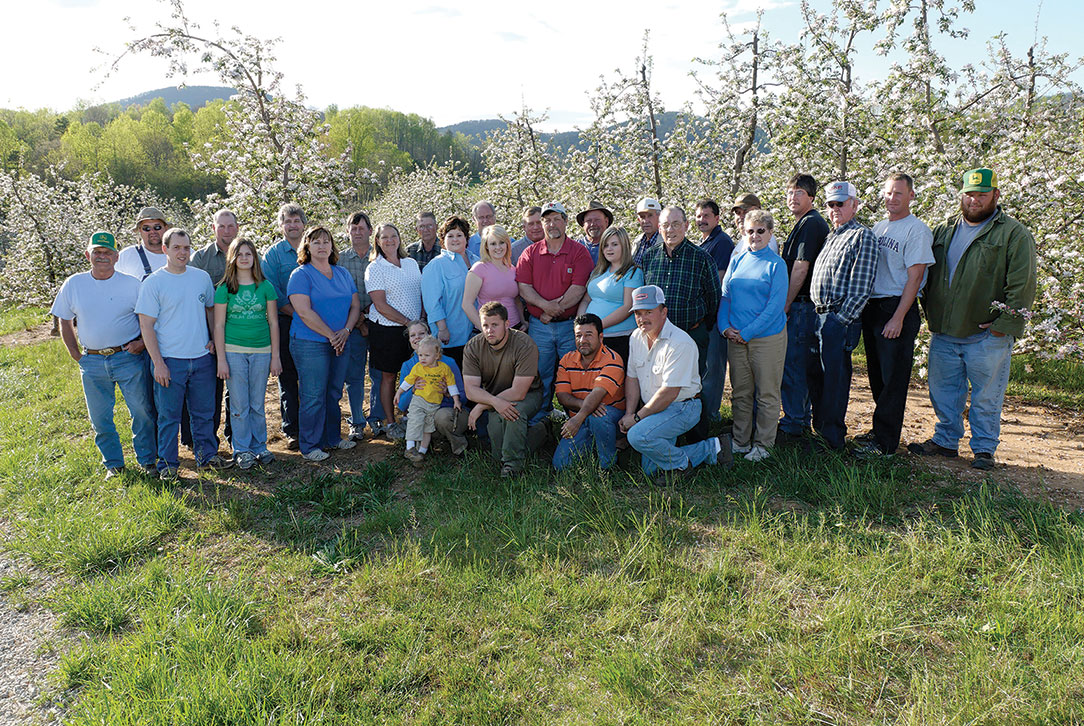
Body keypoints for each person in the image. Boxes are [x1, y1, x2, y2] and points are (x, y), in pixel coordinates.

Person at [908, 168, 1037, 470]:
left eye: (981, 194)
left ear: (996, 194)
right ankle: (945, 441)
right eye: (969, 193)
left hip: (986, 334)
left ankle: (983, 449)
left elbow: (1022, 283)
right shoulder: (943, 230)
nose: (974, 199)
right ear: (961, 195)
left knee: (986, 397)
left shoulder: (1013, 233)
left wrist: (1004, 325)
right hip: (944, 331)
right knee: (944, 392)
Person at [52, 231, 156, 478]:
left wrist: (141, 343)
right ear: (88, 255)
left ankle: (148, 461)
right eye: (97, 252)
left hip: (128, 357)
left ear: (116, 256)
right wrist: (77, 354)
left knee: (142, 411)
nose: (102, 257)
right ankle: (114, 464)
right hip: (93, 360)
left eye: (107, 252)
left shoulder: (131, 284)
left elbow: (147, 319)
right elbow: (64, 320)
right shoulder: (74, 283)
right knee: (100, 418)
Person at [136, 228, 230, 477]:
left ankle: (207, 457)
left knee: (204, 414)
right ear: (165, 249)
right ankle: (167, 465)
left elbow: (210, 310)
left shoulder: (201, 278)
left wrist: (211, 339)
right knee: (169, 417)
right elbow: (146, 325)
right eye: (177, 247)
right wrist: (158, 363)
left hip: (201, 359)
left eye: (186, 248)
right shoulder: (154, 282)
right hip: (170, 360)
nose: (182, 252)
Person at [855, 173, 934, 458]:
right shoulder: (879, 227)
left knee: (893, 380)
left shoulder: (917, 230)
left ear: (911, 195)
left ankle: (886, 444)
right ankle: (880, 431)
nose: (892, 198)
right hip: (875, 307)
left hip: (897, 306)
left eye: (899, 193)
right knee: (878, 376)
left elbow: (915, 277)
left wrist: (898, 317)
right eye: (888, 193)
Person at [619, 286, 730, 483]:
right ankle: (713, 448)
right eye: (638, 313)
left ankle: (680, 464)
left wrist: (636, 418)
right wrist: (629, 412)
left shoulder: (680, 342)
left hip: (683, 407)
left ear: (664, 312)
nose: (642, 318)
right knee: (651, 469)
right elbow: (632, 378)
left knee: (637, 436)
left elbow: (669, 393)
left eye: (649, 312)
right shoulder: (636, 337)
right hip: (656, 409)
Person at [807, 181, 878, 451]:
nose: (835, 208)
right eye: (831, 204)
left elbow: (861, 287)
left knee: (835, 380)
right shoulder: (832, 235)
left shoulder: (862, 236)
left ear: (854, 205)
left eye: (841, 203)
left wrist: (841, 320)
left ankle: (832, 439)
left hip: (837, 317)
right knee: (817, 377)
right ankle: (821, 432)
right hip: (820, 315)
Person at [640, 206, 721, 440]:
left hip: (691, 335)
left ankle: (698, 440)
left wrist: (701, 328)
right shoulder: (649, 258)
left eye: (676, 224)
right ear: (659, 227)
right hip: (657, 338)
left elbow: (713, 298)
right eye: (665, 225)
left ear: (686, 225)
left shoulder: (701, 259)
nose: (670, 229)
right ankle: (663, 435)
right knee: (660, 386)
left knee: (691, 389)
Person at [717, 210, 788, 462]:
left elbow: (775, 306)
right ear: (743, 233)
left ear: (770, 233)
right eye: (750, 231)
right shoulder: (737, 260)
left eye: (761, 231)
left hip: (766, 338)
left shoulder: (776, 265)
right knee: (741, 392)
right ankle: (740, 440)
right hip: (735, 338)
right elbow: (726, 296)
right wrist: (724, 326)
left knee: (767, 394)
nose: (755, 236)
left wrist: (747, 332)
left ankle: (763, 445)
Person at [515, 201, 594, 425]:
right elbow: (524, 287)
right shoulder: (530, 253)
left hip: (570, 326)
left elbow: (578, 288)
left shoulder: (579, 252)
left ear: (566, 221)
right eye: (547, 220)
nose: (552, 224)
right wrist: (547, 309)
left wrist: (550, 310)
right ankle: (539, 421)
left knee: (575, 374)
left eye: (557, 219)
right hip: (540, 327)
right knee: (541, 374)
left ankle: (578, 421)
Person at [286, 226, 361, 462]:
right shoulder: (300, 274)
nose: (322, 245)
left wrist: (346, 331)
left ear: (332, 246)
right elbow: (304, 312)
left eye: (326, 241)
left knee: (333, 392)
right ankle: (310, 446)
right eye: (316, 241)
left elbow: (355, 306)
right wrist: (332, 335)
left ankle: (332, 438)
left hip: (341, 340)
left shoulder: (342, 273)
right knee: (313, 395)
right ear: (307, 246)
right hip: (311, 343)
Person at [213, 237, 281, 469]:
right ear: (232, 258)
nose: (244, 258)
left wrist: (275, 356)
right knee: (239, 404)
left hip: (262, 351)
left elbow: (273, 322)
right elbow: (219, 325)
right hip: (233, 352)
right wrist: (221, 359)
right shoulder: (224, 289)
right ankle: (242, 449)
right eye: (239, 254)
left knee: (257, 403)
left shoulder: (266, 286)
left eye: (248, 254)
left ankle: (259, 446)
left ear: (255, 258)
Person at [463, 302, 544, 478]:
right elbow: (470, 390)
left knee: (513, 412)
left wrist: (482, 406)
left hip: (529, 394)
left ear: (507, 324)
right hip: (494, 397)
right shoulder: (473, 347)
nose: (489, 330)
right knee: (497, 451)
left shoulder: (524, 344)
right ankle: (540, 432)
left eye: (495, 325)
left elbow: (519, 392)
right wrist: (493, 402)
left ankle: (513, 467)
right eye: (485, 325)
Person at [778, 173, 830, 442]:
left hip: (801, 306)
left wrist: (785, 304)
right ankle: (798, 418)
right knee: (798, 364)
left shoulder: (811, 224)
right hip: (800, 306)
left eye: (799, 192)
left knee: (795, 365)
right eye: (789, 192)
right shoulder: (804, 223)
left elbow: (801, 266)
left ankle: (793, 425)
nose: (792, 197)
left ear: (811, 197)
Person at [186, 207, 239, 452]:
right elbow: (193, 299)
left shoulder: (246, 253)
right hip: (210, 334)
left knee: (237, 388)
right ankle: (206, 441)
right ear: (213, 228)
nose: (226, 231)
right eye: (221, 226)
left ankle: (235, 436)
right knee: (211, 391)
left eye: (231, 226)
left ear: (237, 228)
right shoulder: (200, 258)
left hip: (242, 331)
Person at [365, 223, 424, 434]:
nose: (390, 240)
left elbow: (420, 293)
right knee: (389, 376)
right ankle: (391, 423)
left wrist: (421, 320)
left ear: (399, 238)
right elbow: (380, 305)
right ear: (378, 242)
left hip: (416, 330)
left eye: (393, 236)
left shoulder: (410, 263)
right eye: (385, 237)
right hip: (388, 330)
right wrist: (408, 322)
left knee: (417, 373)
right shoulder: (375, 268)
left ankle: (411, 416)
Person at [552, 314, 626, 470]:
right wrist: (585, 407)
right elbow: (562, 396)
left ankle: (608, 466)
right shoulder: (567, 360)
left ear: (601, 337)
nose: (582, 340)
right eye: (578, 335)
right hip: (584, 416)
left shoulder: (612, 359)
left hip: (610, 417)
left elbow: (598, 394)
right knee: (561, 465)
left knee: (599, 417)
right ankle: (598, 444)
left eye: (588, 335)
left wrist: (577, 418)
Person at [261, 203, 307, 449]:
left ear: (303, 224)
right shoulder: (273, 254)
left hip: (316, 326)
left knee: (312, 378)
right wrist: (300, 315)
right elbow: (273, 292)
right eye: (287, 222)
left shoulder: (315, 247)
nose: (292, 225)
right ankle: (292, 431)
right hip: (286, 322)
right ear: (281, 226)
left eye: (296, 220)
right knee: (288, 379)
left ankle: (314, 426)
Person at [338, 211, 386, 440]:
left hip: (378, 322)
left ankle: (377, 418)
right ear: (348, 231)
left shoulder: (380, 257)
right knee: (354, 376)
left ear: (370, 230)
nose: (357, 232)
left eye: (361, 228)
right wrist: (356, 320)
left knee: (378, 373)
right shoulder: (339, 259)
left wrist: (366, 316)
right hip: (351, 325)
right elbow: (338, 292)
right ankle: (356, 421)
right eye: (353, 228)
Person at [397, 320, 471, 457]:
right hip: (422, 413)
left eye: (421, 333)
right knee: (418, 419)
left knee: (441, 417)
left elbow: (464, 397)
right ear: (409, 340)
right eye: (412, 335)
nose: (417, 338)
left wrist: (447, 393)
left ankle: (460, 448)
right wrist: (412, 390)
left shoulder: (447, 363)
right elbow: (401, 405)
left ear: (430, 336)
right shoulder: (408, 366)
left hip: (447, 414)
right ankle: (422, 451)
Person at [694, 199, 736, 425]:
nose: (702, 220)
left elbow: (717, 281)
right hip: (703, 316)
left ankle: (710, 417)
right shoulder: (704, 243)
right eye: (699, 216)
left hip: (715, 315)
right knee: (703, 368)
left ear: (717, 218)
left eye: (706, 216)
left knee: (713, 368)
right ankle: (702, 415)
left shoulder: (721, 243)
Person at [577, 225, 643, 366]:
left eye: (614, 244)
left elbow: (628, 307)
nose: (609, 249)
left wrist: (596, 326)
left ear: (624, 246)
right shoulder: (598, 271)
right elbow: (586, 300)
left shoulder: (633, 273)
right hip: (593, 337)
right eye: (605, 245)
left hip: (618, 338)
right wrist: (580, 324)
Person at [421, 216, 477, 369]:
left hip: (476, 334)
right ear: (442, 240)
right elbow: (432, 303)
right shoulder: (436, 265)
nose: (455, 239)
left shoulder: (477, 261)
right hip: (451, 337)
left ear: (466, 238)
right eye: (450, 236)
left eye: (459, 235)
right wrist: (442, 328)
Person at [463, 224, 525, 331]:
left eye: (501, 242)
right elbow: (466, 304)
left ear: (507, 244)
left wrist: (523, 322)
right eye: (493, 244)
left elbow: (516, 300)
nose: (498, 247)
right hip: (491, 332)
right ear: (486, 246)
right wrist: (484, 329)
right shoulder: (479, 269)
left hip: (515, 328)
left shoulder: (512, 269)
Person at [116, 207, 169, 280]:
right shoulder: (126, 256)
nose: (152, 232)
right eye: (146, 228)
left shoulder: (182, 254)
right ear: (140, 230)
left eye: (157, 227)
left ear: (166, 228)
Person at [575, 200, 614, 265]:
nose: (593, 224)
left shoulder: (615, 246)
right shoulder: (575, 247)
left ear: (606, 221)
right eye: (589, 221)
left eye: (597, 220)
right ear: (583, 224)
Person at [631, 197, 662, 266]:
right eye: (642, 217)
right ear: (638, 220)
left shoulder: (667, 242)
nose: (646, 221)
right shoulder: (638, 241)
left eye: (650, 216)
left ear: (659, 217)